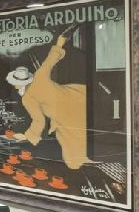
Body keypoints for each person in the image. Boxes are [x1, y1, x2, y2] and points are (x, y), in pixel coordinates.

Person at [6, 34, 91, 170]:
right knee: (85, 136)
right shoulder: (39, 76)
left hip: (65, 118)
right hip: (77, 97)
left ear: (17, 85)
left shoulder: (27, 98)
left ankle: (85, 167)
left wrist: (27, 136)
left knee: (73, 157)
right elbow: (51, 59)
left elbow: (39, 121)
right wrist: (60, 42)